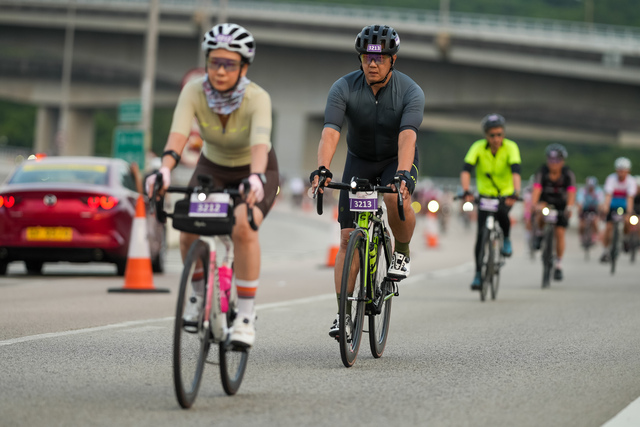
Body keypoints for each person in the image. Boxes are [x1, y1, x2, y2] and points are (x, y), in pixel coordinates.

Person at [146, 23, 279, 348]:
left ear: (243, 67)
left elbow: (259, 143)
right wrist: (164, 170)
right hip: (212, 167)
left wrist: (255, 176)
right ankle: (197, 295)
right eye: (214, 62)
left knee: (243, 226)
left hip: (256, 169)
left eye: (229, 64)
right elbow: (178, 135)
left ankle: (245, 315)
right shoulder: (194, 91)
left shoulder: (257, 98)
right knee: (187, 227)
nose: (220, 71)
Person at [309, 24, 425, 338]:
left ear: (393, 60)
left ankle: (401, 251)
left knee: (394, 198)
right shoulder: (343, 87)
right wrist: (323, 168)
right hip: (359, 160)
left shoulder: (410, 91)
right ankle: (343, 315)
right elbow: (331, 132)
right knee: (348, 240)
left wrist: (402, 174)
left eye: (379, 58)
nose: (372, 64)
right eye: (366, 57)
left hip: (396, 159)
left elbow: (408, 136)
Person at [460, 114, 521, 291]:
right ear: (486, 135)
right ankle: (478, 274)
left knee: (502, 214)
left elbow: (516, 172)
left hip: (505, 194)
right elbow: (466, 170)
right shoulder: (478, 147)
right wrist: (466, 191)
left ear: (504, 134)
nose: (496, 139)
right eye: (492, 135)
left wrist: (515, 192)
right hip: (485, 195)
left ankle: (506, 239)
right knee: (480, 235)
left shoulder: (511, 147)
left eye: (499, 134)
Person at [530, 144, 576, 280]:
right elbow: (537, 188)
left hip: (561, 204)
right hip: (546, 202)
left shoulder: (567, 174)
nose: (553, 164)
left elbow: (571, 192)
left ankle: (558, 264)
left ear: (562, 161)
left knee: (560, 233)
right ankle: (539, 233)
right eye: (551, 160)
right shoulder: (542, 171)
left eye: (557, 160)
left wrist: (569, 207)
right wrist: (534, 204)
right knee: (540, 212)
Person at [600, 157, 636, 262]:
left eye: (623, 170)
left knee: (628, 221)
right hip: (612, 206)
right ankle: (605, 251)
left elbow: (630, 198)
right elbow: (608, 195)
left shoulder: (631, 181)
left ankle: (625, 238)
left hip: (624, 206)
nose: (621, 172)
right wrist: (606, 206)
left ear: (628, 171)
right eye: (619, 170)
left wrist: (629, 212)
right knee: (608, 227)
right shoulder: (611, 179)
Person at [576, 176, 604, 247]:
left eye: (592, 186)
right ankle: (581, 235)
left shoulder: (598, 191)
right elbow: (579, 201)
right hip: (585, 208)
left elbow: (600, 203)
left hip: (594, 209)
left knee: (594, 221)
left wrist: (600, 210)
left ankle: (594, 235)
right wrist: (580, 208)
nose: (591, 188)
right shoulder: (583, 190)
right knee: (581, 224)